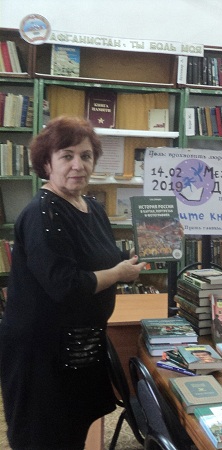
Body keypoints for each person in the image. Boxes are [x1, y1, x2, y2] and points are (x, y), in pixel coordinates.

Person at [0, 116, 147, 449]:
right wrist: (119, 274)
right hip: (43, 354)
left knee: (74, 429)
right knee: (45, 436)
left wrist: (133, 259)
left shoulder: (91, 206)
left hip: (81, 345)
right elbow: (65, 284)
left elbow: (100, 258)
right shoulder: (41, 214)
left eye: (86, 155)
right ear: (47, 163)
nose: (78, 165)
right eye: (67, 156)